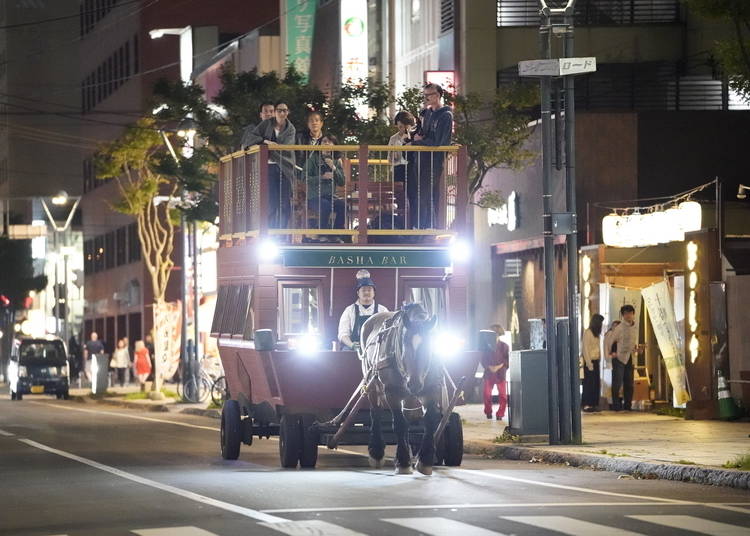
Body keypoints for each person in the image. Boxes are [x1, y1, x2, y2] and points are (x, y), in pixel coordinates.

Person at [244, 100, 297, 228]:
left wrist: (268, 148)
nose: (282, 113)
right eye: (279, 110)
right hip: (268, 167)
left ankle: (283, 233)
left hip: (284, 168)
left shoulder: (290, 129)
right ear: (275, 112)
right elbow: (250, 139)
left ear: (288, 112)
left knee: (284, 203)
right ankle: (271, 232)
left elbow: (285, 148)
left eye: (285, 110)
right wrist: (266, 142)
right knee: (271, 203)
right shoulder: (266, 124)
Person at [409, 83, 453, 229]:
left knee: (427, 193)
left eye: (430, 94)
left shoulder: (445, 115)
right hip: (421, 158)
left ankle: (426, 226)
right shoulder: (426, 114)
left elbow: (440, 142)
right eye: (425, 95)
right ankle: (422, 226)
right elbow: (421, 135)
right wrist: (416, 137)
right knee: (420, 193)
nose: (426, 98)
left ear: (438, 95)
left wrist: (418, 142)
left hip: (433, 159)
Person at [300, 134, 346, 236]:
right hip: (315, 197)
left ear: (335, 145)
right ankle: (322, 234)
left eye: (330, 142)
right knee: (325, 206)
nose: (327, 144)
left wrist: (334, 167)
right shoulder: (313, 159)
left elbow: (342, 182)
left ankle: (336, 234)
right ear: (319, 144)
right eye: (324, 141)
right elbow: (304, 178)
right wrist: (321, 177)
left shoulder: (336, 161)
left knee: (343, 206)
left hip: (331, 197)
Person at [338, 270, 389, 351]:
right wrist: (351, 345)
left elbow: (388, 332)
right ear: (358, 293)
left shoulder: (383, 310)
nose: (366, 292)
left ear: (374, 293)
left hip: (376, 351)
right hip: (354, 350)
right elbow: (342, 334)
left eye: (369, 290)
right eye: (363, 290)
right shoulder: (349, 310)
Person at [610, 305, 642, 411]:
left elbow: (633, 342)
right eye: (625, 314)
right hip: (619, 357)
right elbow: (611, 341)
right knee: (617, 382)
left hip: (630, 357)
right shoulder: (619, 328)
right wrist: (613, 352)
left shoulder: (635, 327)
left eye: (630, 313)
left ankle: (627, 406)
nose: (628, 316)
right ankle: (616, 406)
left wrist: (637, 349)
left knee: (629, 383)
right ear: (622, 315)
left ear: (633, 314)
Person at [481, 324, 509, 420]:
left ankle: (500, 414)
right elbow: (483, 359)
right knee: (486, 393)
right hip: (489, 373)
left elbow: (507, 360)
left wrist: (498, 367)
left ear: (498, 334)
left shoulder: (505, 346)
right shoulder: (486, 347)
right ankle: (488, 412)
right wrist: (489, 367)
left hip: (500, 373)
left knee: (503, 396)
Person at [581, 314, 604, 412]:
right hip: (589, 361)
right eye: (600, 323)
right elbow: (585, 349)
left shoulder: (597, 334)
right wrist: (589, 364)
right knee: (589, 383)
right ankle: (587, 404)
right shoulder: (588, 332)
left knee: (596, 384)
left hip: (596, 360)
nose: (601, 325)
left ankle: (594, 404)